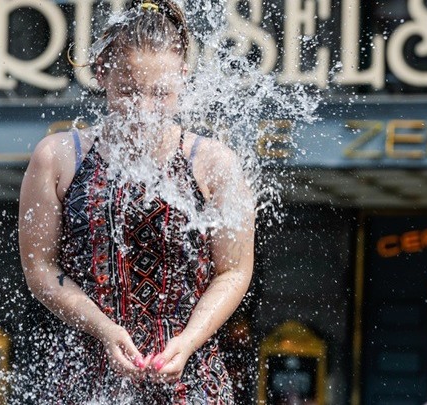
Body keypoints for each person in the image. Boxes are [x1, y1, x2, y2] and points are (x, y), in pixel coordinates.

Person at [18, 0, 255, 403]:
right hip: (87, 378)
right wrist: (104, 329)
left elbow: (233, 271)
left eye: (160, 93)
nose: (144, 109)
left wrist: (190, 340)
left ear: (183, 77)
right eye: (128, 91)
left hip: (190, 379)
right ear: (101, 73)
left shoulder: (215, 164)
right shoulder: (57, 158)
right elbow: (39, 267)